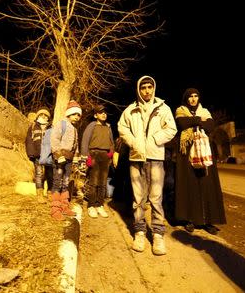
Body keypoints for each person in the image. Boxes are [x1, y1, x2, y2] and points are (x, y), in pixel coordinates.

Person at [118, 75, 177, 255]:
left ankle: (158, 235)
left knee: (156, 198)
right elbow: (122, 128)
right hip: (136, 158)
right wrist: (135, 142)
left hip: (156, 158)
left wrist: (155, 139)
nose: (146, 91)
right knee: (138, 199)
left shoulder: (163, 108)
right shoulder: (130, 110)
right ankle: (140, 232)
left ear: (154, 88)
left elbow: (171, 129)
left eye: (149, 87)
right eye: (143, 87)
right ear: (138, 89)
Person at [174, 88, 226, 235]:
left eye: (196, 96)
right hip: (187, 152)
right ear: (186, 99)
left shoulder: (205, 110)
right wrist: (198, 121)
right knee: (190, 184)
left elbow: (210, 126)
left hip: (204, 151)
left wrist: (195, 122)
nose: (193, 99)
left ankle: (208, 221)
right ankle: (189, 220)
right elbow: (182, 124)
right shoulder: (180, 110)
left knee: (207, 184)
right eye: (190, 96)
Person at [50, 100, 82, 221]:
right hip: (60, 159)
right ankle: (55, 209)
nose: (77, 117)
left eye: (79, 115)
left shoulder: (74, 129)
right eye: (74, 114)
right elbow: (54, 139)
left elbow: (75, 145)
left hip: (69, 160)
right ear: (68, 114)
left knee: (66, 182)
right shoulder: (61, 124)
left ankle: (64, 206)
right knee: (57, 182)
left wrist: (76, 159)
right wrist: (58, 154)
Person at [81, 104, 114, 218]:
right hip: (93, 154)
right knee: (93, 182)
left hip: (105, 156)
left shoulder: (108, 127)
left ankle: (99, 204)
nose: (104, 114)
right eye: (101, 112)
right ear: (96, 115)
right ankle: (91, 206)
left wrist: (111, 152)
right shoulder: (92, 125)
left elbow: (111, 141)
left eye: (105, 112)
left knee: (103, 182)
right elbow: (85, 140)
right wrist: (86, 156)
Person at [25, 106, 53, 203]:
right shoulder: (33, 127)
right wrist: (31, 154)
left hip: (49, 155)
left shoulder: (51, 128)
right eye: (41, 114)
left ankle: (50, 193)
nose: (44, 116)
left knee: (50, 174)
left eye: (46, 115)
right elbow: (29, 141)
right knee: (39, 174)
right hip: (37, 154)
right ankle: (39, 195)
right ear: (38, 116)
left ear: (48, 118)